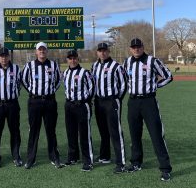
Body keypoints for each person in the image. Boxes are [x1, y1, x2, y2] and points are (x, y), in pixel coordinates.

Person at [123, 38, 173, 181]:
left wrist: (155, 86)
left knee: (156, 135)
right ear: (130, 49)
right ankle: (136, 163)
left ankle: (165, 168)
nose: (136, 49)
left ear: (143, 47)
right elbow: (126, 79)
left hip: (148, 102)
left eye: (138, 47)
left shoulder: (152, 61)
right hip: (133, 102)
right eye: (133, 47)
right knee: (134, 134)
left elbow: (168, 76)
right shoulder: (127, 62)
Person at [22, 42, 63, 169]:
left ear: (47, 51)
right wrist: (33, 92)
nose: (42, 52)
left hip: (50, 101)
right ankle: (31, 159)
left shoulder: (53, 65)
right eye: (39, 50)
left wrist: (49, 92)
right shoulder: (29, 65)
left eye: (44, 49)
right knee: (34, 131)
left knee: (51, 130)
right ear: (36, 52)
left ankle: (54, 156)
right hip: (34, 102)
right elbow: (24, 80)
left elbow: (58, 80)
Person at [91, 43, 127, 174]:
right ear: (97, 52)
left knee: (115, 132)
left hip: (111, 101)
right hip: (99, 102)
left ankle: (121, 162)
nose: (102, 53)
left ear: (108, 51)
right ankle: (105, 156)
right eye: (100, 51)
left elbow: (124, 85)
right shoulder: (94, 66)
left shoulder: (116, 66)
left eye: (104, 51)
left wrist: (117, 100)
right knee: (103, 131)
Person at [0, 47, 22, 168]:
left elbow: (19, 84)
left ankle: (16, 156)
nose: (4, 58)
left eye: (5, 56)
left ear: (9, 57)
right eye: (1, 56)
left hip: (12, 104)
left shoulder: (16, 68)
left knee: (15, 131)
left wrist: (12, 96)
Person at [63, 50, 95, 172]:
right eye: (70, 58)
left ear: (78, 59)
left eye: (74, 58)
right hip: (69, 105)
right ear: (67, 60)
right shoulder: (65, 73)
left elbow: (92, 89)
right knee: (71, 132)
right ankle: (73, 157)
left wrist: (86, 101)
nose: (72, 60)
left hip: (82, 105)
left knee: (84, 134)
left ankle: (88, 160)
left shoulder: (85, 73)